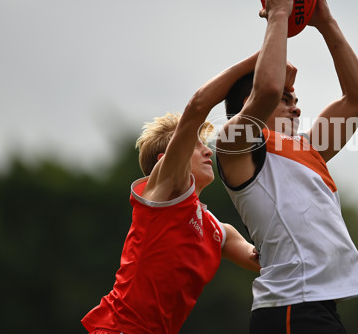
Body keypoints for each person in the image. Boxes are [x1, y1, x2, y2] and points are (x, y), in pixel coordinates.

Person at [216, 0, 358, 334]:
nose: (296, 104)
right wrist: (278, 16)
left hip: (314, 308)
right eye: (288, 98)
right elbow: (267, 88)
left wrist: (325, 21)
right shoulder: (235, 145)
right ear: (248, 104)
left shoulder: (305, 149)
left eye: (294, 97)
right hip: (291, 307)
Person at [81, 51, 269, 334]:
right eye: (195, 145)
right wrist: (259, 59)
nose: (207, 150)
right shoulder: (164, 193)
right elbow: (198, 105)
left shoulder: (219, 232)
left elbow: (265, 260)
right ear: (165, 162)